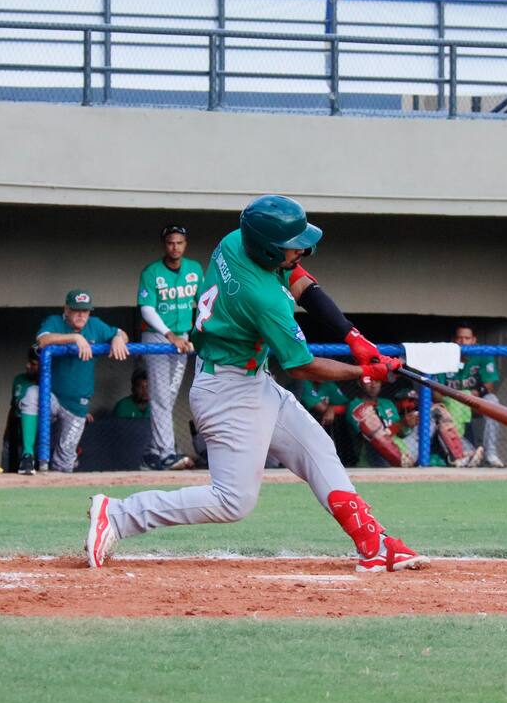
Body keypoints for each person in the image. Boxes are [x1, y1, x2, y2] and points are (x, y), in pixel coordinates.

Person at [84, 194, 426, 573]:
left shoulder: (236, 240)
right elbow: (302, 366)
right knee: (233, 501)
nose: (302, 251)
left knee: (317, 448)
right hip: (228, 393)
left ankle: (373, 542)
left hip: (249, 382)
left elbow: (300, 282)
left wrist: (352, 335)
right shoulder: (263, 298)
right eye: (292, 247)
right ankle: (117, 515)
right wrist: (364, 372)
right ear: (267, 250)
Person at [32, 290, 130, 472]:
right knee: (31, 397)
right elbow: (43, 340)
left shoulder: (95, 325)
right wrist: (76, 338)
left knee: (65, 461)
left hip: (77, 405)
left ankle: (57, 495)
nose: (81, 315)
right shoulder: (55, 321)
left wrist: (118, 338)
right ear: (66, 309)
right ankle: (28, 458)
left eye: (85, 311)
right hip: (52, 397)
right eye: (77, 310)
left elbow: (122, 334)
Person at [136, 224, 201, 471]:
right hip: (158, 338)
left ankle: (153, 452)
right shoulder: (152, 272)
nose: (175, 247)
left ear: (185, 244)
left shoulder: (194, 269)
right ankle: (165, 453)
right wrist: (170, 335)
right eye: (170, 242)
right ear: (165, 245)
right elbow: (147, 308)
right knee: (162, 398)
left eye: (179, 242)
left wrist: (196, 334)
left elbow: (204, 302)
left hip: (183, 337)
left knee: (169, 397)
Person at [440, 323, 504, 467]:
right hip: (451, 402)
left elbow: (489, 385)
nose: (463, 342)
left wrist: (469, 394)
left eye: (467, 338)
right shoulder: (443, 355)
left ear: (474, 340)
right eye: (459, 338)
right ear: (453, 340)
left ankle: (491, 454)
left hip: (473, 401)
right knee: (441, 409)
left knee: (492, 400)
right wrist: (456, 397)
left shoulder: (482, 352)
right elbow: (437, 390)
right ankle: (465, 454)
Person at [346, 378, 416, 467]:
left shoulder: (387, 403)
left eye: (377, 380)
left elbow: (400, 434)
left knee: (435, 413)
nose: (373, 385)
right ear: (360, 383)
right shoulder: (355, 405)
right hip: (372, 457)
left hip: (400, 449)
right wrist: (400, 424)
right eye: (368, 381)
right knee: (374, 440)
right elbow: (374, 438)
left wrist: (408, 424)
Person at [2, 348, 42, 476]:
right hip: (15, 432)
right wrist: (6, 432)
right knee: (9, 471)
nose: (28, 365)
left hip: (39, 436)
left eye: (34, 364)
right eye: (29, 362)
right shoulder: (19, 379)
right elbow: (13, 407)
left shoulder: (53, 384)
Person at [296, 380, 352, 463]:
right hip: (301, 427)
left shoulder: (328, 383)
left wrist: (332, 409)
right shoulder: (303, 383)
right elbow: (319, 407)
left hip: (323, 427)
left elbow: (347, 406)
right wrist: (330, 409)